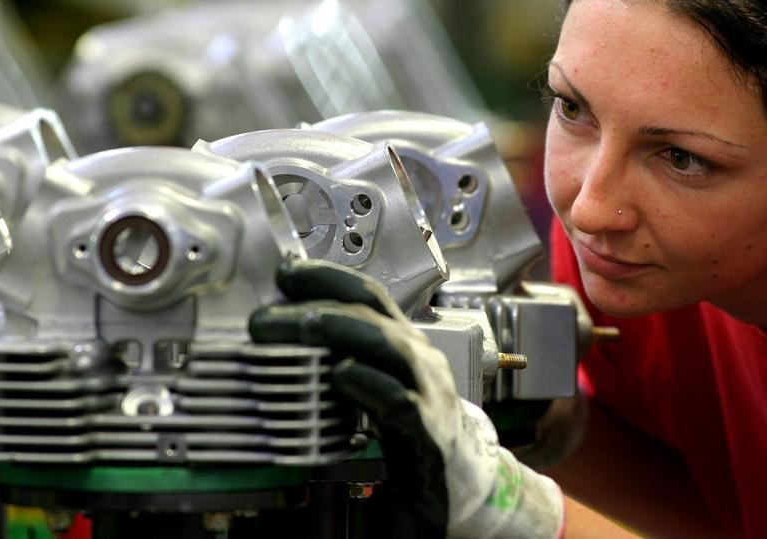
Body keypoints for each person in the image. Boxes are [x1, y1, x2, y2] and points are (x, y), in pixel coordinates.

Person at [250, 0, 767, 537]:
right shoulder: (629, 271)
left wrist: (509, 507)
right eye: (571, 107)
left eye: (683, 159)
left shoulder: (635, 253)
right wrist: (557, 430)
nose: (589, 209)